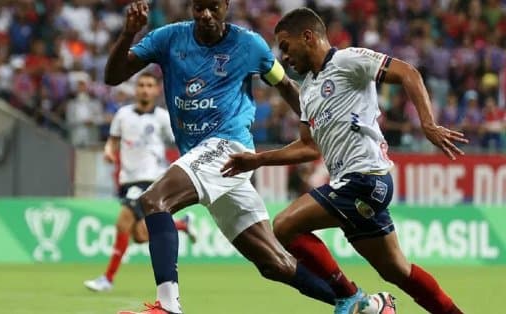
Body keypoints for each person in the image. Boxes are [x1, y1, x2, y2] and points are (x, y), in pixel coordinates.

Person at [106, 1, 389, 314]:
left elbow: (284, 83)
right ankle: (364, 304)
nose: (207, 15)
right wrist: (128, 33)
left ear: (226, 6)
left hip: (229, 148)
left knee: (154, 201)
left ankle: (168, 307)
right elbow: (113, 75)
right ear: (191, 8)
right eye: (199, 8)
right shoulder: (168, 38)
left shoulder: (249, 45)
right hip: (206, 160)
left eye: (214, 7)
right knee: (274, 263)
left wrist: (319, 127)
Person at [222, 8, 467, 314]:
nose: (283, 56)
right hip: (352, 186)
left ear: (308, 37)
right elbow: (309, 148)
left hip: (366, 178)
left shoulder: (348, 60)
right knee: (396, 271)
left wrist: (428, 124)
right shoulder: (309, 90)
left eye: (286, 46)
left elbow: (408, 73)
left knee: (284, 226)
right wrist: (257, 160)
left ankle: (354, 298)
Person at [84, 73, 196, 293]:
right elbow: (113, 141)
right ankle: (182, 224)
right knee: (140, 235)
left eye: (150, 86)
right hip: (128, 179)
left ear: (155, 91)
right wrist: (108, 152)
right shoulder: (123, 115)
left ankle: (107, 279)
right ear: (136, 90)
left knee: (122, 222)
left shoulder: (163, 117)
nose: (145, 89)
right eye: (142, 85)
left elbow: (179, 140)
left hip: (151, 178)